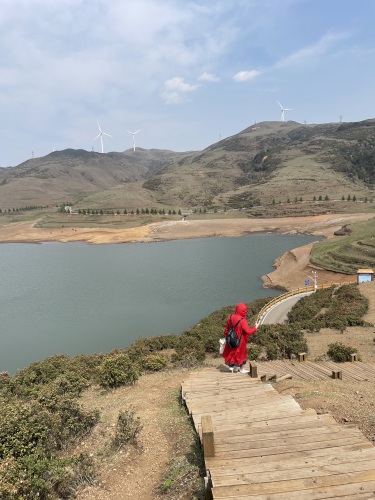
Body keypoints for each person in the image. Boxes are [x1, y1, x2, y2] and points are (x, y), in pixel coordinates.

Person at [222, 303, 257, 373]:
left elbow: (227, 329)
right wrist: (255, 328)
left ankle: (231, 367)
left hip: (230, 338)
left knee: (231, 352)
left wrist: (227, 337)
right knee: (241, 355)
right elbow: (248, 331)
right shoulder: (243, 321)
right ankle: (241, 369)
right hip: (240, 341)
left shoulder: (230, 317)